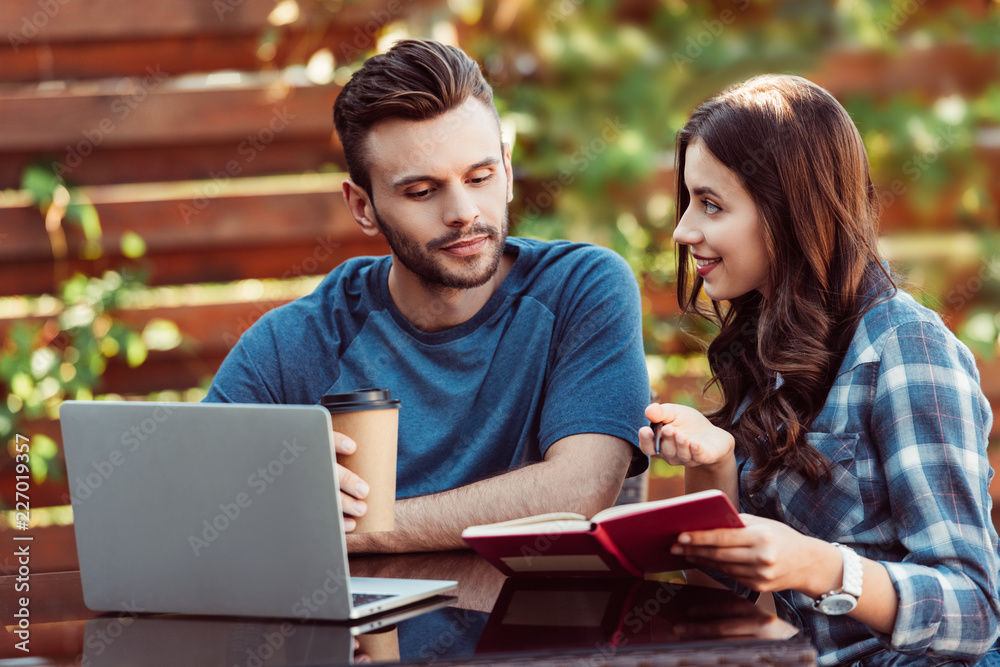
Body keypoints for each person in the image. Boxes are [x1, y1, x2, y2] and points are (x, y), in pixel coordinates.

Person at [204, 39, 649, 553]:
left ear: (506, 171)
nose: (463, 211)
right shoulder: (298, 342)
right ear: (363, 207)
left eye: (479, 177)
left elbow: (579, 489)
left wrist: (344, 528)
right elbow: (196, 506)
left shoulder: (580, 288)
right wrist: (264, 488)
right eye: (421, 191)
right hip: (362, 633)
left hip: (536, 630)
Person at [640, 74, 1000, 665]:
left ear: (787, 211)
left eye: (710, 204)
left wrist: (822, 567)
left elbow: (977, 609)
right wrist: (714, 463)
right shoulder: (774, 345)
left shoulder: (907, 350)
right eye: (687, 202)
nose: (683, 231)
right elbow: (718, 599)